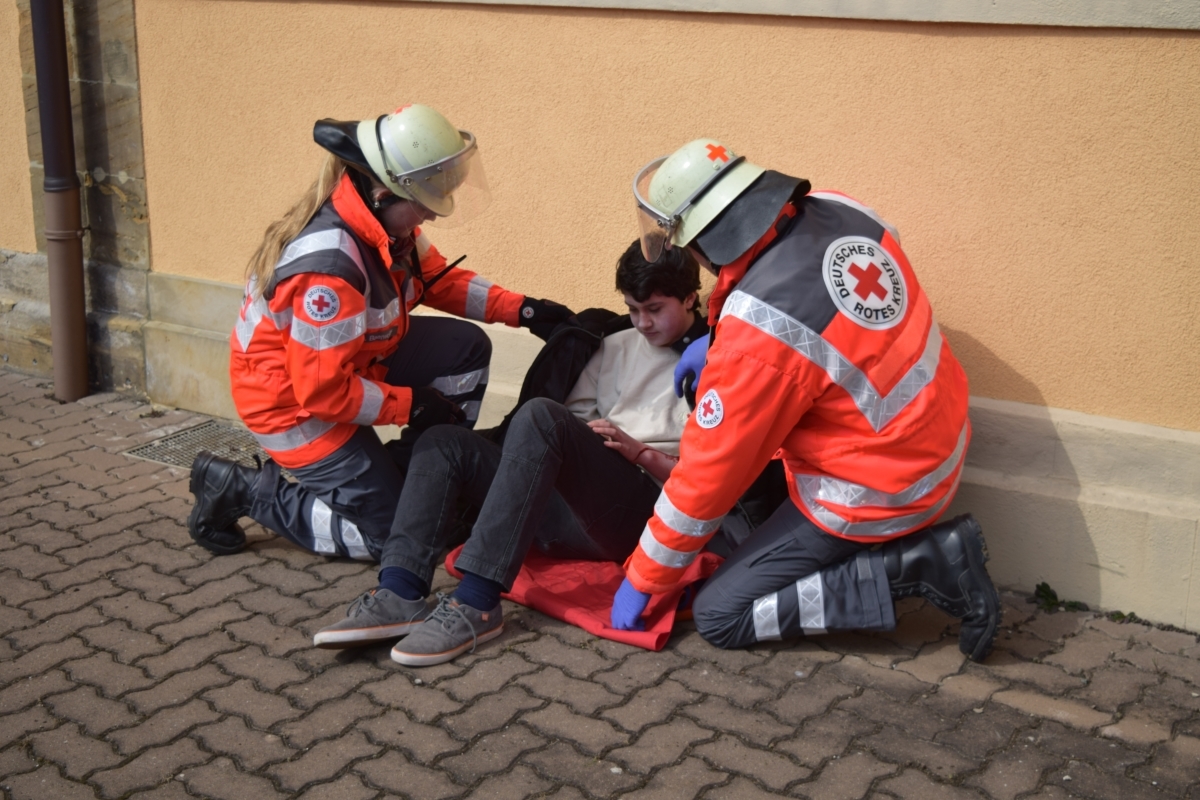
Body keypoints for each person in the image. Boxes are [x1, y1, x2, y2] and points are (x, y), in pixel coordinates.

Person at [615, 138, 1001, 661]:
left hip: (879, 487)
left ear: (701, 243)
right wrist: (723, 338)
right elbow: (837, 321)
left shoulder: (761, 331)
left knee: (720, 613)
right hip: (938, 435)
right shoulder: (842, 208)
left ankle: (924, 564)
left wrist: (644, 577)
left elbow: (710, 473)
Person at [187, 104, 573, 561]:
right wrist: (412, 404)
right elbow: (322, 393)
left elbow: (438, 280)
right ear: (386, 193)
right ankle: (244, 490)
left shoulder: (381, 225)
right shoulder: (330, 271)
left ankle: (420, 480)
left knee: (465, 349)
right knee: (396, 538)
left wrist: (525, 311)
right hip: (295, 409)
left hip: (350, 364)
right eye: (424, 204)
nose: (432, 217)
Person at [313, 241, 710, 665]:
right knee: (443, 441)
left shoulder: (713, 358)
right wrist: (593, 444)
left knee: (540, 416)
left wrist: (640, 453)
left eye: (654, 309)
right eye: (633, 309)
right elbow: (573, 425)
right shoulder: (613, 344)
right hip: (572, 506)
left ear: (690, 298)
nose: (643, 322)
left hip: (642, 508)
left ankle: (477, 602)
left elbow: (713, 475)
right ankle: (400, 589)